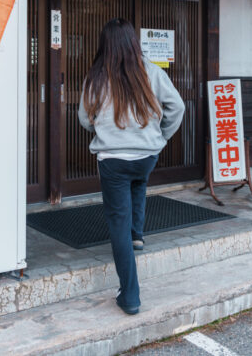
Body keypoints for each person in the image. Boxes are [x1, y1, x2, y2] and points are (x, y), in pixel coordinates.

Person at [78, 18, 185, 315]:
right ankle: (138, 235)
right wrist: (159, 137)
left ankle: (130, 295)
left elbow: (84, 119)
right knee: (138, 182)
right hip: (146, 155)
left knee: (117, 226)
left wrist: (104, 130)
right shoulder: (150, 70)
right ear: (133, 43)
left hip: (113, 160)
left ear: (105, 44)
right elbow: (178, 107)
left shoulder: (97, 75)